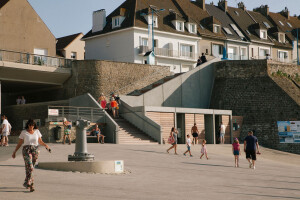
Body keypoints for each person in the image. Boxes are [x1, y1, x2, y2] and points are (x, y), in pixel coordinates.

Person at [12, 119, 50, 192]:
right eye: (29, 125)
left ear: (34, 125)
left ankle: (27, 181)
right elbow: (20, 143)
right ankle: (31, 185)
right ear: (27, 125)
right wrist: (14, 152)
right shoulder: (24, 132)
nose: (31, 126)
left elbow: (40, 141)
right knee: (31, 167)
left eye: (32, 125)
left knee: (29, 168)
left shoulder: (37, 131)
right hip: (26, 150)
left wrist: (46, 145)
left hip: (35, 150)